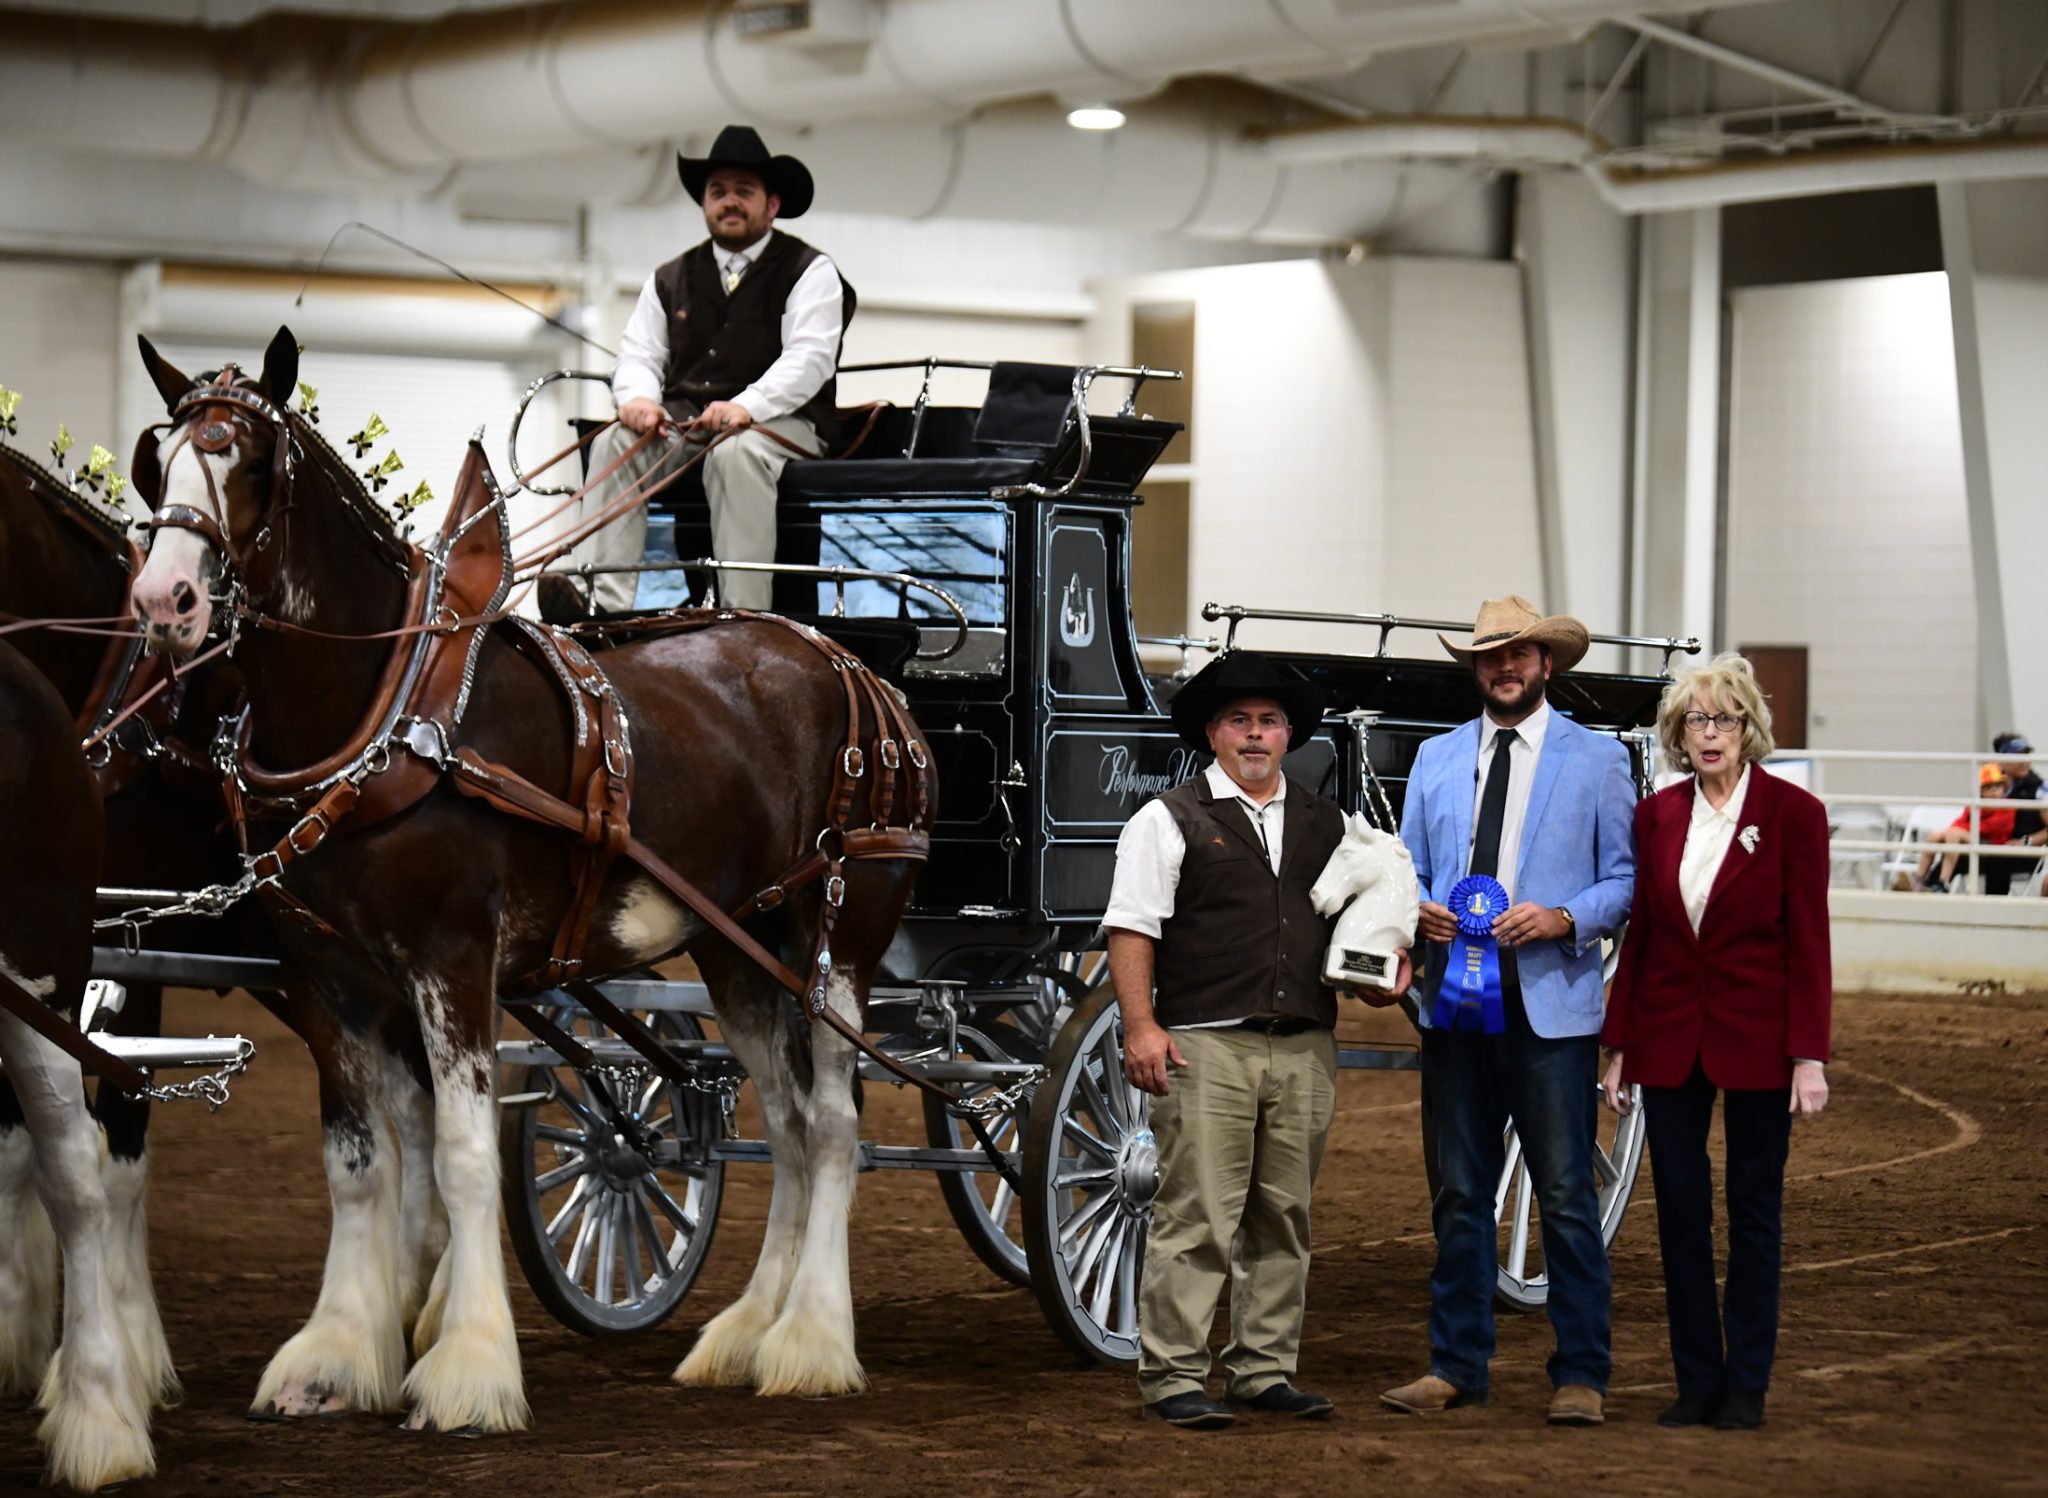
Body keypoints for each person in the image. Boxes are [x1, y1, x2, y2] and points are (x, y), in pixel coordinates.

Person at [1104, 651, 1411, 1430]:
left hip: (1305, 1044)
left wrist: (1386, 968)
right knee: (1197, 1214)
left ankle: (1263, 1369)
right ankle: (1173, 1375)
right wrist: (1141, 1025)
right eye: (1239, 720)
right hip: (1207, 1045)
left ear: (1289, 736)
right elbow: (1133, 927)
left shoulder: (1331, 824)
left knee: (1284, 1216)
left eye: (1269, 721)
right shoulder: (1167, 818)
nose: (1255, 734)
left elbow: (1368, 916)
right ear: (1212, 732)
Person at [1381, 595, 1636, 1428]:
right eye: (1492, 656)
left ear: (1546, 665)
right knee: (1457, 1192)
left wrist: (1565, 917)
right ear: (1476, 669)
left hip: (1552, 1006)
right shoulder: (1436, 759)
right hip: (1456, 1002)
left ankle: (1582, 1374)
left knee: (1564, 1193)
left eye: (1520, 655)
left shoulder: (1596, 760)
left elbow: (1624, 880)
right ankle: (1456, 1365)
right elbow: (1407, 868)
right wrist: (1420, 906)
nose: (1506, 668)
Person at [1598, 653, 1832, 1432]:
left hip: (1762, 1040)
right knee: (1681, 1215)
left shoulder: (1794, 815)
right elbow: (1645, 939)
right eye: (1695, 719)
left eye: (1724, 718)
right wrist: (1620, 1042)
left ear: (1748, 728)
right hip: (1667, 1037)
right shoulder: (1657, 815)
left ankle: (1747, 1387)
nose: (1710, 733)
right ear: (1677, 732)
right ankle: (1696, 1381)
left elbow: (1810, 943)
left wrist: (1809, 1054)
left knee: (1754, 1212)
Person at [547, 125, 854, 616]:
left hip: (781, 424)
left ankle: (742, 618)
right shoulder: (671, 277)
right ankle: (600, 605)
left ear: (771, 205)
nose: (729, 201)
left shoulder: (809, 270)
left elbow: (810, 359)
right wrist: (639, 399)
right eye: (718, 192)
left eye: (743, 192)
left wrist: (746, 406)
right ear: (706, 205)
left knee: (738, 454)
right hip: (687, 423)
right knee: (613, 443)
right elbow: (640, 355)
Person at [1914, 763, 2014, 892]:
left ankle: (1943, 881)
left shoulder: (2008, 807)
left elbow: (1990, 827)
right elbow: (1958, 823)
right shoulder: (1976, 805)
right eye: (1989, 787)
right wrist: (1957, 831)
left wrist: (1962, 830)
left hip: (1993, 847)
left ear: (2004, 788)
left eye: (1998, 786)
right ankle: (1918, 879)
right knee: (1936, 835)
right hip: (1973, 841)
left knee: (1954, 834)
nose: (1995, 791)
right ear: (1981, 791)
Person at [1985, 734, 2045, 897]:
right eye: (2018, 756)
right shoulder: (1989, 784)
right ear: (2002, 759)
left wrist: (2024, 842)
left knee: (1998, 858)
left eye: (2026, 755)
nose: (2024, 761)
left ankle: (1992, 911)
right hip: (1992, 844)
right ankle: (1931, 886)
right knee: (1958, 848)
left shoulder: (2039, 788)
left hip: (2023, 850)